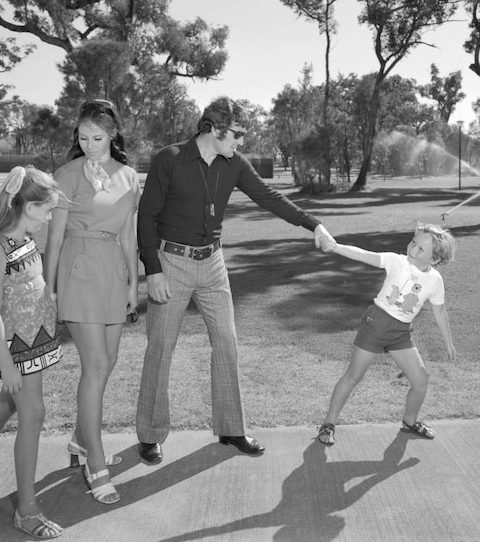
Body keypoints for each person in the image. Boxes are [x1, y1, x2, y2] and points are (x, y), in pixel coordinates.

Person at [135, 96, 334, 463]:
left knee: (227, 343)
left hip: (213, 263)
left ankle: (230, 428)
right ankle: (149, 434)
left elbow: (268, 196)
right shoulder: (170, 159)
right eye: (237, 134)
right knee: (161, 348)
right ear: (213, 129)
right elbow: (146, 217)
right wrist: (153, 269)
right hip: (171, 262)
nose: (240, 142)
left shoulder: (233, 163)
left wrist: (313, 224)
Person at [44, 100, 140, 505]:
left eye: (97, 138)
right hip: (77, 271)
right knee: (96, 364)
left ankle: (80, 441)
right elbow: (53, 238)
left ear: (113, 134)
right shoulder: (64, 176)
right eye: (82, 138)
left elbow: (129, 236)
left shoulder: (130, 177)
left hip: (114, 274)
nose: (89, 145)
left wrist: (134, 284)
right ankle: (94, 462)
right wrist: (48, 291)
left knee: (109, 361)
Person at [0, 166, 63, 539]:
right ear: (30, 205)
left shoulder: (27, 240)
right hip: (13, 348)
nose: (50, 216)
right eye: (48, 209)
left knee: (10, 403)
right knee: (33, 413)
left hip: (32, 341)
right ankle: (27, 512)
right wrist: (7, 365)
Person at [316, 223, 457, 446]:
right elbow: (364, 255)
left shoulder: (435, 280)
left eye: (421, 249)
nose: (412, 249)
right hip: (376, 324)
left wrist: (448, 343)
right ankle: (328, 424)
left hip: (401, 332)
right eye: (413, 242)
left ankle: (409, 422)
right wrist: (335, 247)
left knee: (421, 381)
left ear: (434, 260)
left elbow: (439, 310)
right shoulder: (397, 261)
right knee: (353, 376)